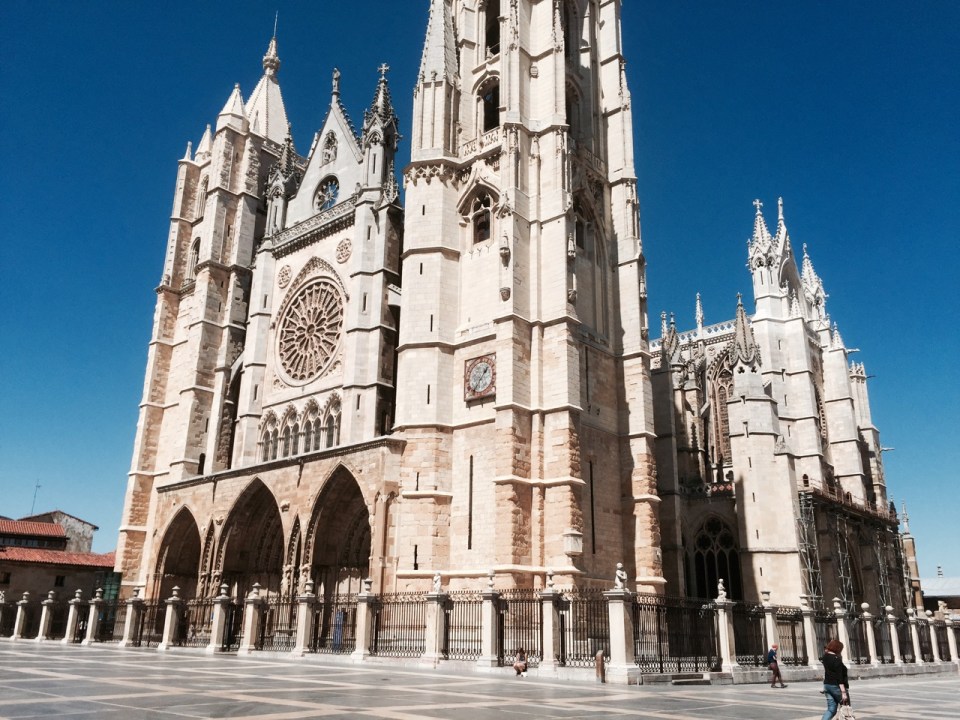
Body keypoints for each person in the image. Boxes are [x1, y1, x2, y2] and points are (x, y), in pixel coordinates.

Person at [821, 639, 850, 720]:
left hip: (827, 685)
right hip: (836, 686)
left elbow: (828, 672)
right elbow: (839, 676)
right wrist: (843, 692)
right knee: (846, 708)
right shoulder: (836, 659)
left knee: (831, 709)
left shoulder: (825, 657)